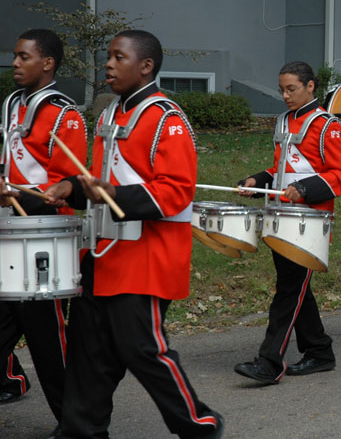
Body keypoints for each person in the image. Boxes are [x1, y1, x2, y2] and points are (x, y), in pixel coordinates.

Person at [45, 30, 224, 438]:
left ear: (145, 66)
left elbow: (177, 192)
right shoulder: (109, 115)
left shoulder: (168, 119)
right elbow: (102, 181)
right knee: (89, 354)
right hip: (102, 255)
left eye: (118, 57)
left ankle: (200, 425)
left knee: (143, 351)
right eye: (108, 56)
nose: (108, 64)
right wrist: (73, 187)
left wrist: (112, 194)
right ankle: (80, 430)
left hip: (146, 259)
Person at [234, 61, 341, 383]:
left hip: (310, 220)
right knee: (296, 288)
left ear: (310, 86)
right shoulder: (284, 121)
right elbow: (283, 172)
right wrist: (258, 181)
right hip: (280, 216)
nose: (285, 96)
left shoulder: (328, 125)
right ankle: (319, 351)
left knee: (289, 289)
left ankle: (269, 362)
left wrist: (303, 190)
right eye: (282, 89)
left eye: (292, 89)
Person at [0, 29, 87, 438]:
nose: (15, 63)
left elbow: (67, 185)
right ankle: (11, 381)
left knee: (47, 340)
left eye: (24, 57)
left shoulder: (64, 114)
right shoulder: (12, 105)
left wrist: (13, 196)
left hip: (44, 238)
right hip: (9, 230)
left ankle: (77, 422)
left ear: (48, 62)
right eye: (15, 56)